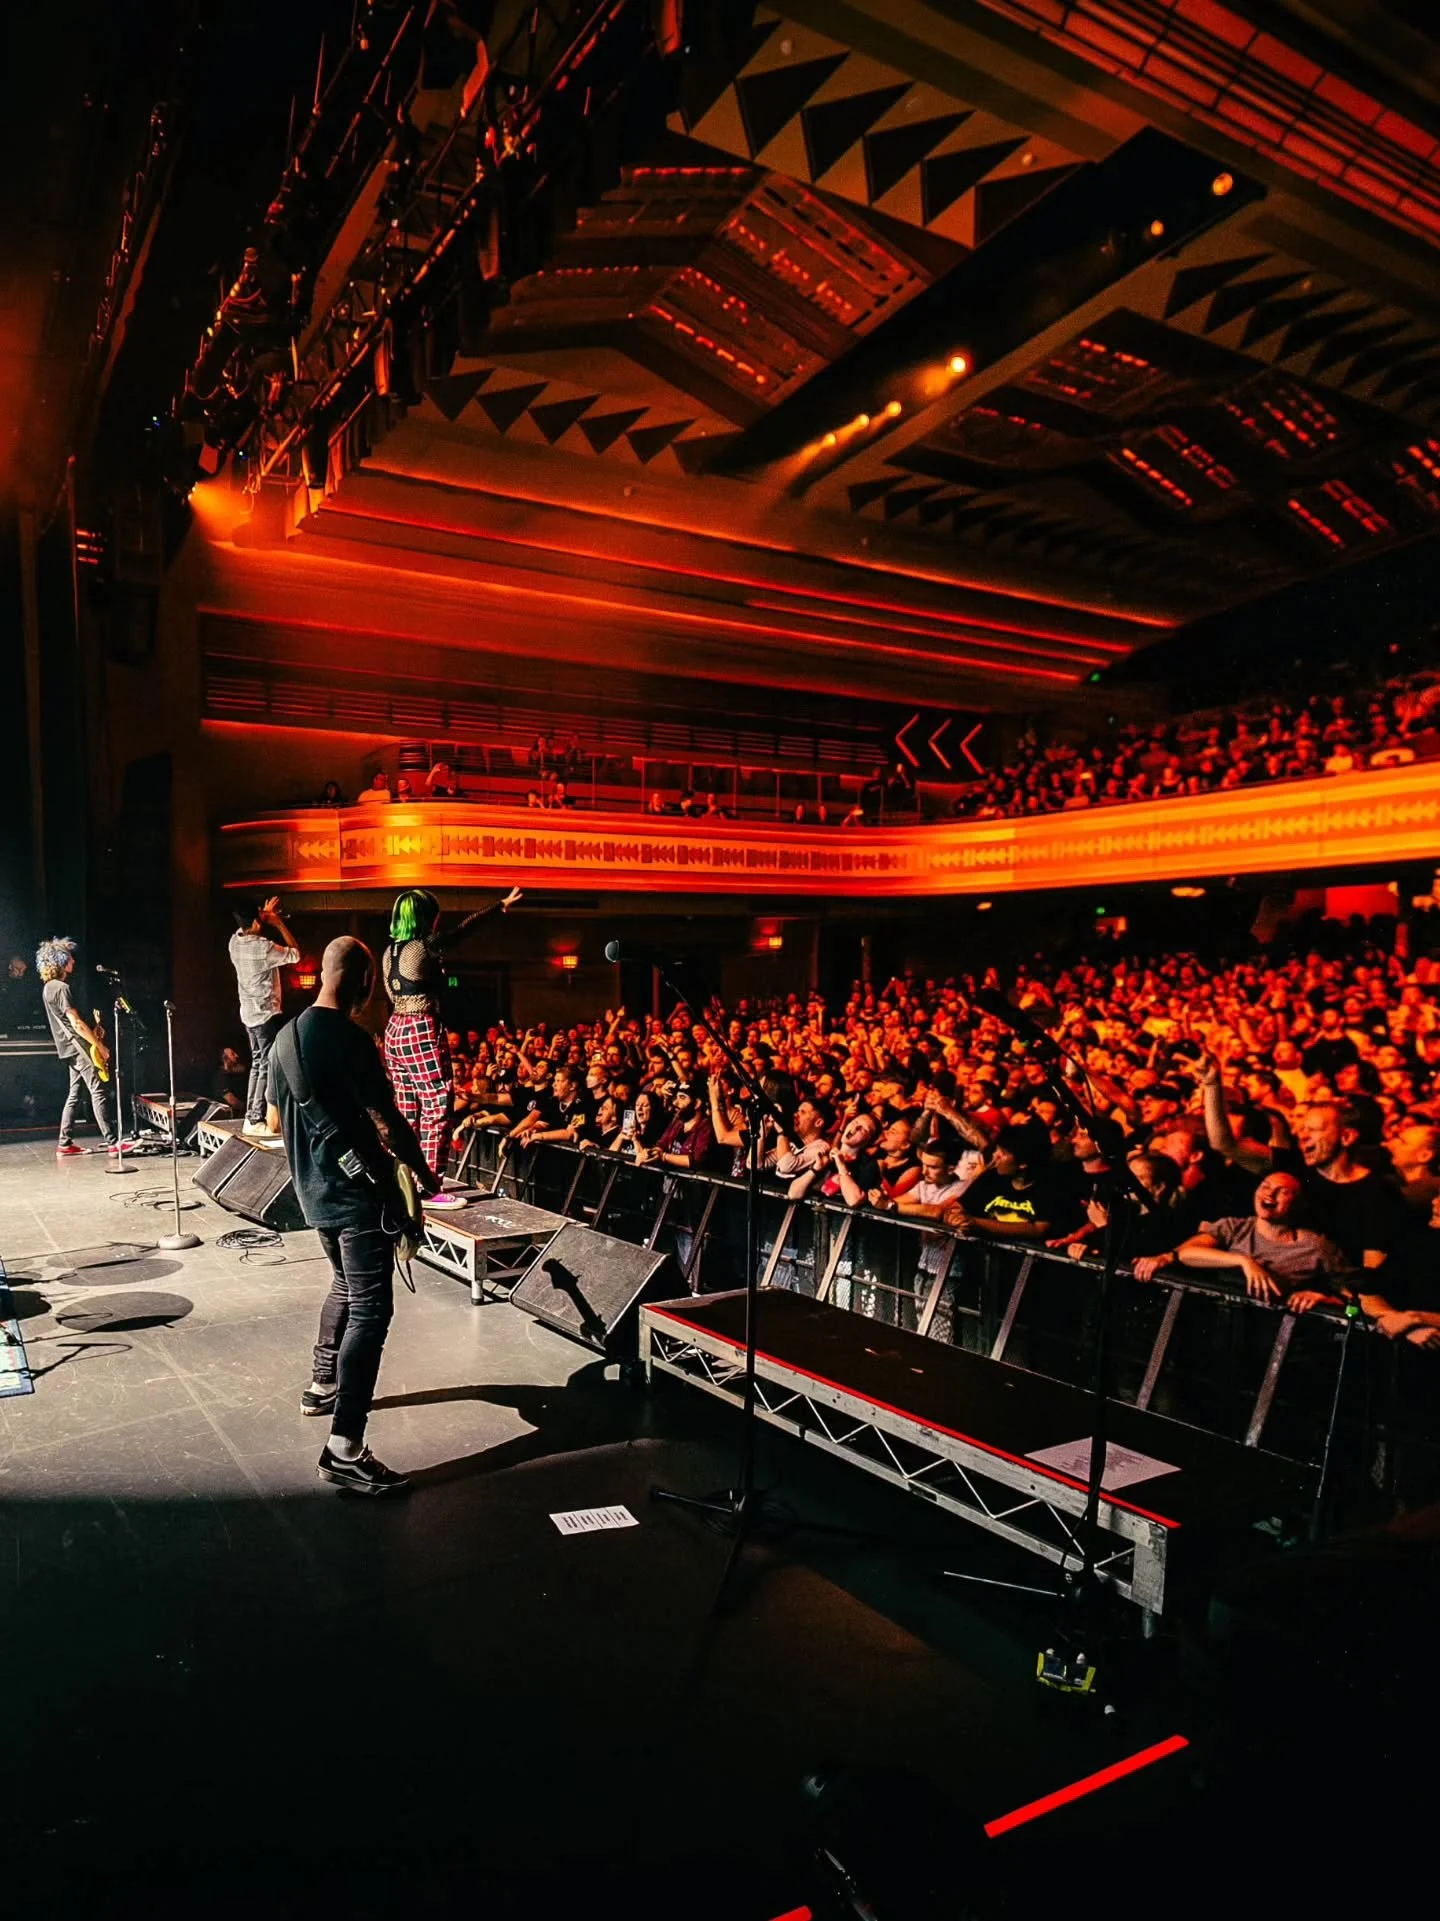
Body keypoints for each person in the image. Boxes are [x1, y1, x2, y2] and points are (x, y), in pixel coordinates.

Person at [269, 937, 441, 1495]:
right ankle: (345, 1447)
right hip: (357, 1198)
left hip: (314, 1194)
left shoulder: (284, 1040)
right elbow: (387, 1119)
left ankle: (321, 1385)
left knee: (344, 1287)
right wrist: (423, 1173)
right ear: (367, 981)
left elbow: (273, 1122)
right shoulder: (351, 1038)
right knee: (371, 1311)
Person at [381, 885, 521, 1195]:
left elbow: (392, 994)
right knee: (437, 1106)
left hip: (395, 1029)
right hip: (419, 1026)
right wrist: (498, 907)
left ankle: (400, 1180)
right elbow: (462, 931)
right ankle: (429, 1186)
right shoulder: (425, 944)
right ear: (426, 917)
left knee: (406, 1110)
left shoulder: (389, 951)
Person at [1145, 1170, 1349, 1308]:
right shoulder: (1235, 1227)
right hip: (1220, 1326)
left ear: (1298, 1203)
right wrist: (1244, 1261)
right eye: (1265, 1186)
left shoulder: (1316, 1246)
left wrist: (1327, 1300)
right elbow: (1185, 1253)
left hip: (1275, 1338)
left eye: (1283, 1192)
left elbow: (1356, 1304)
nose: (1270, 1193)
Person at [37, 937, 120, 1157]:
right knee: (98, 1090)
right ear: (61, 961)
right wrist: (99, 1045)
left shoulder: (48, 988)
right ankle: (113, 1142)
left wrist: (95, 1030)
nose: (73, 960)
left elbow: (67, 1025)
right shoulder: (62, 988)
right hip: (78, 1048)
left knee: (74, 1094)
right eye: (70, 957)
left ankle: (65, 1143)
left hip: (68, 1048)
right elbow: (74, 1023)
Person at [227, 896, 300, 1137]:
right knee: (266, 1065)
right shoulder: (263, 947)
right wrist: (277, 923)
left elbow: (247, 926)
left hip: (249, 1014)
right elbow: (295, 954)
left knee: (259, 1064)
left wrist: (261, 916)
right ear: (257, 922)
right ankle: (255, 1117)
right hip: (266, 1015)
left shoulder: (234, 942)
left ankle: (252, 1117)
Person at [214, 1044, 250, 1116]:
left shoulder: (241, 1072)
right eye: (232, 1054)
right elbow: (231, 1100)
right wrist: (249, 1108)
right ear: (225, 1059)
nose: (237, 1056)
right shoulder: (221, 1077)